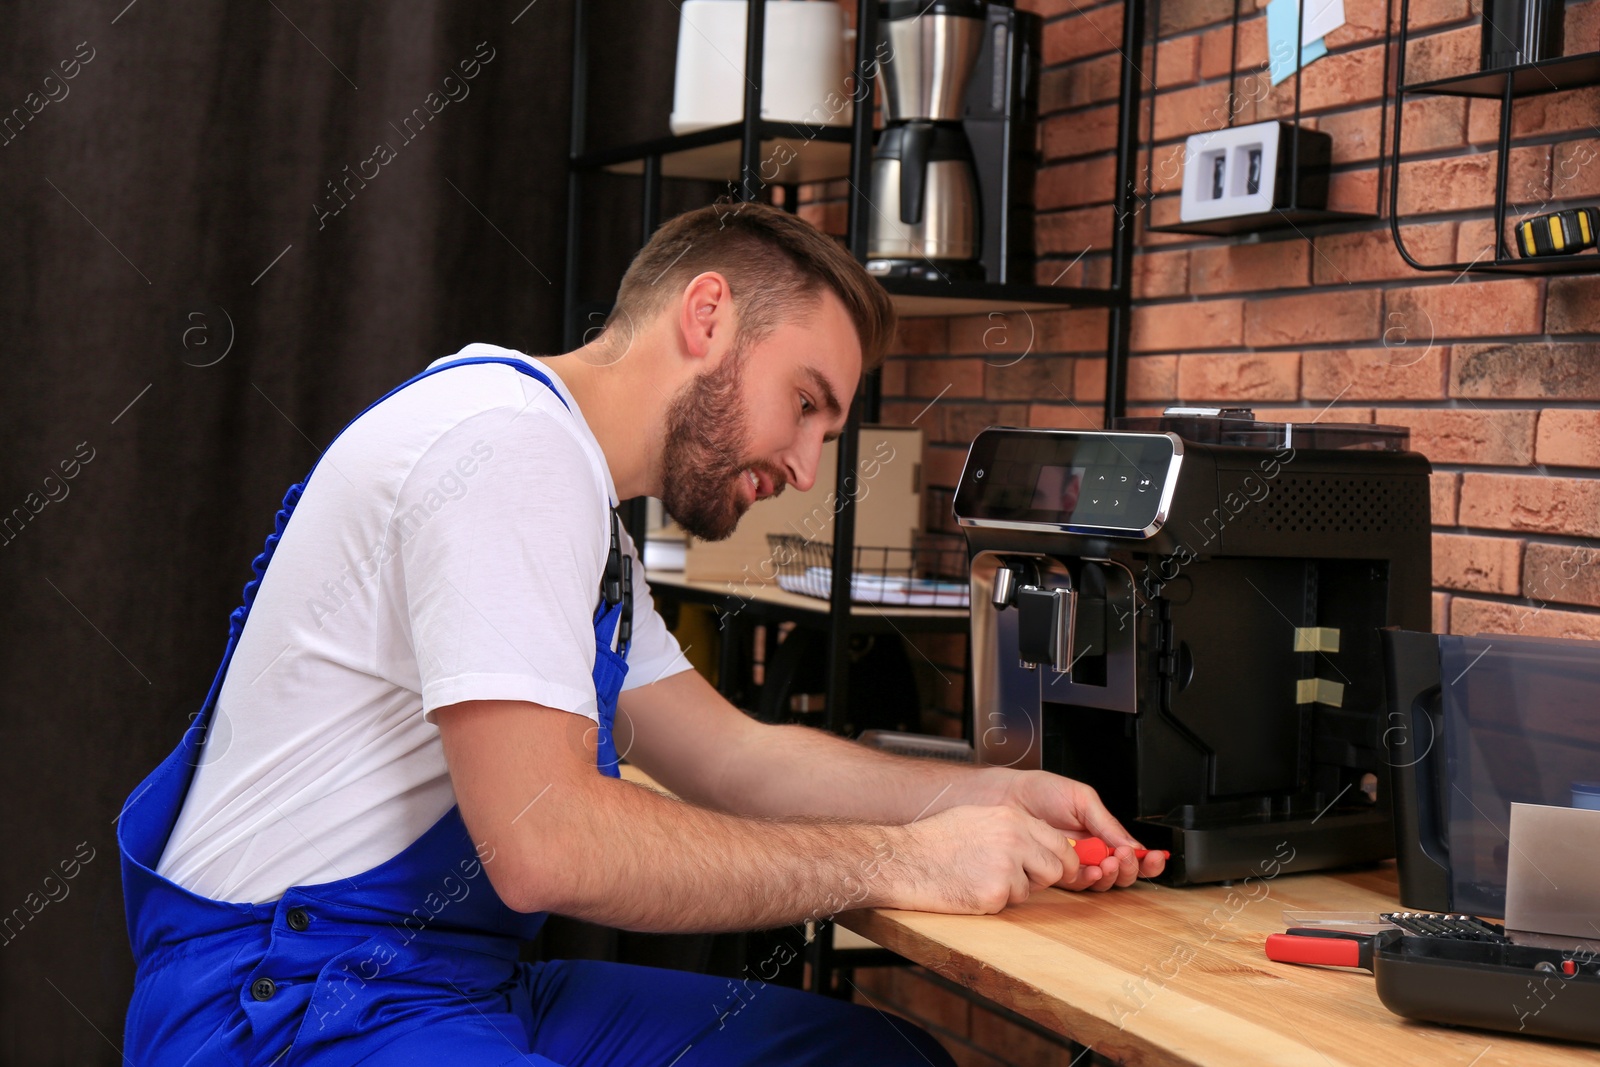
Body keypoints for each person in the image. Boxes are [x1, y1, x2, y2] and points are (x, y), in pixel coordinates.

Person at [117, 201, 1165, 1065]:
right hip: (282, 1007)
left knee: (874, 1061)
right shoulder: (506, 448)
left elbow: (731, 755)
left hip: (441, 980)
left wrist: (984, 792)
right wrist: (903, 860)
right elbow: (546, 843)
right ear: (706, 315)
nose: (806, 468)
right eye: (804, 403)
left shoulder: (584, 515)